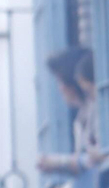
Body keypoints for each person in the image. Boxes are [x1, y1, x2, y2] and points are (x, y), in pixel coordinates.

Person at [40, 46, 103, 175]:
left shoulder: (99, 110)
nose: (60, 88)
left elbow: (99, 156)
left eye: (60, 81)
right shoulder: (82, 116)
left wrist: (62, 162)